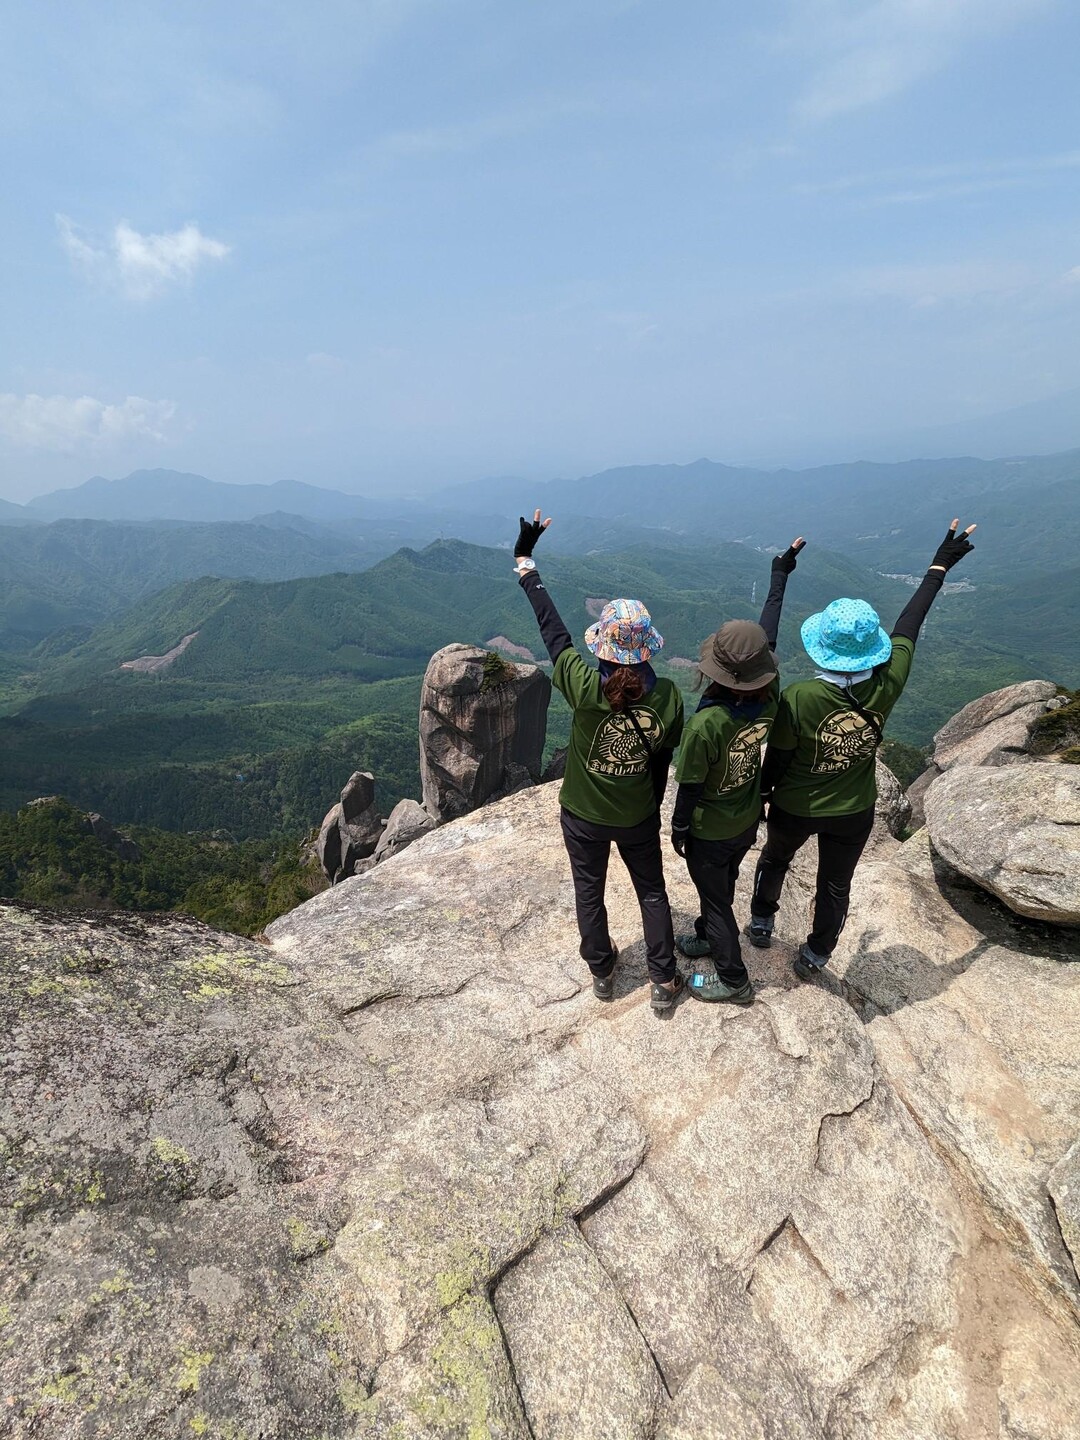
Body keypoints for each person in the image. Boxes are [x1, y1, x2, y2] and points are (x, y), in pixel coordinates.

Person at [747, 519, 977, 979]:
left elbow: (779, 757)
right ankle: (816, 954)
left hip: (796, 804)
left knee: (775, 859)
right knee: (836, 884)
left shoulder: (801, 698)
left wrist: (763, 793)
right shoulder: (889, 682)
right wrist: (939, 565)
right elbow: (910, 624)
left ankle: (761, 922)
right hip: (854, 809)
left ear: (821, 647)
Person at [513, 510, 686, 1011]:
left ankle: (603, 972)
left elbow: (555, 634)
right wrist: (651, 806)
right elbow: (663, 754)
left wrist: (527, 563)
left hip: (582, 813)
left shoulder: (587, 687)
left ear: (605, 648)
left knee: (588, 891)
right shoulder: (669, 697)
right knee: (651, 891)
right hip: (635, 814)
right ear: (647, 649)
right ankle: (662, 978)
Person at [669, 538, 806, 1006]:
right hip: (746, 819)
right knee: (724, 879)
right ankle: (707, 937)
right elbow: (766, 641)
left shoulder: (707, 724)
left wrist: (679, 826)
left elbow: (688, 785)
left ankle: (733, 979)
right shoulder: (771, 699)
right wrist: (779, 578)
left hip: (709, 826)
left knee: (715, 897)